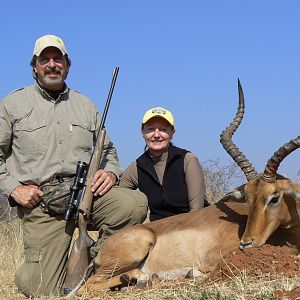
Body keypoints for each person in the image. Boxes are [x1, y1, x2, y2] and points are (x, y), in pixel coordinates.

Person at [0, 34, 148, 297]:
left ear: (67, 65)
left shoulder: (85, 105)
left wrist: (110, 172)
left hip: (84, 194)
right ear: (34, 66)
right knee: (40, 288)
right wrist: (13, 189)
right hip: (41, 203)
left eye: (58, 59)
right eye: (44, 59)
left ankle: (96, 272)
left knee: (133, 204)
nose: (52, 64)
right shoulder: (13, 104)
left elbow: (108, 150)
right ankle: (41, 271)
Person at [119, 106, 205, 221]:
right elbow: (118, 198)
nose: (156, 135)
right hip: (158, 229)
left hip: (192, 225)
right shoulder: (137, 167)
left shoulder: (188, 160)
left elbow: (197, 212)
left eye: (163, 129)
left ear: (172, 132)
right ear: (142, 132)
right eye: (150, 129)